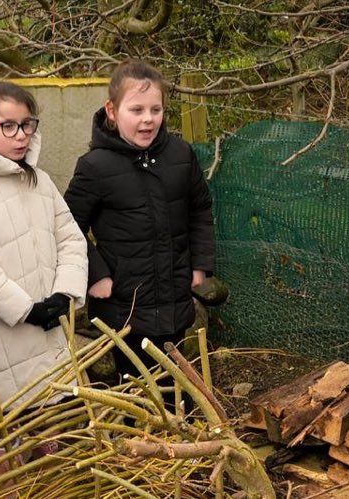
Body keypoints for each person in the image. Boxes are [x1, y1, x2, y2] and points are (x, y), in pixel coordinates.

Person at [0, 81, 88, 420]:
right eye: (8, 126)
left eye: (27, 124)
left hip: (52, 332)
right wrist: (27, 310)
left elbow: (70, 239)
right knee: (12, 443)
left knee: (55, 435)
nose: (21, 135)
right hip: (5, 336)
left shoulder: (40, 180)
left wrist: (65, 293)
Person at [63, 59, 215, 379]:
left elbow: (200, 209)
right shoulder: (95, 166)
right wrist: (96, 274)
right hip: (124, 306)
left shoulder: (180, 155)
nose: (148, 119)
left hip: (174, 299)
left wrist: (200, 265)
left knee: (175, 384)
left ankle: (178, 425)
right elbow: (66, 226)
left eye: (155, 110)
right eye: (137, 110)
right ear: (112, 110)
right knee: (136, 389)